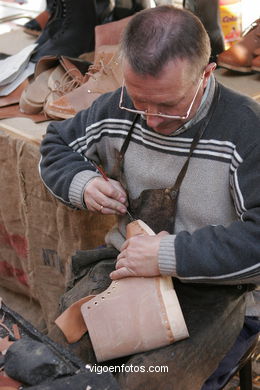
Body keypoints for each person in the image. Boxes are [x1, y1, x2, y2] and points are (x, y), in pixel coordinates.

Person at [39, 5, 260, 390]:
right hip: (123, 272)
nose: (152, 119)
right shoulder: (118, 107)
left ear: (206, 73)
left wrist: (166, 255)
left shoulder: (246, 131)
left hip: (217, 290)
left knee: (142, 382)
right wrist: (84, 183)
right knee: (49, 364)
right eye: (139, 101)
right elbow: (57, 145)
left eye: (168, 105)